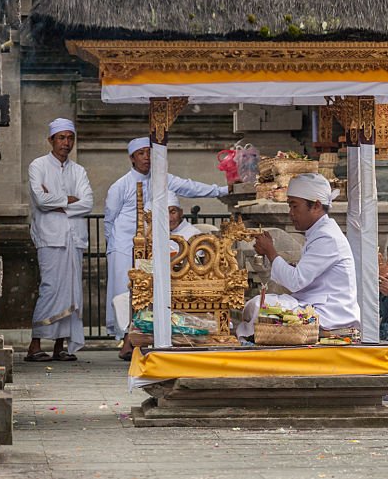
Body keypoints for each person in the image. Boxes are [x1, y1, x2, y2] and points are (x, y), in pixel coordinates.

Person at [104, 136, 227, 350]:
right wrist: (114, 248)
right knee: (126, 292)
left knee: (150, 291)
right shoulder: (120, 185)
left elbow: (191, 187)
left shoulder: (162, 178)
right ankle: (126, 340)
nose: (146, 158)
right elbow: (109, 219)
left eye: (149, 153)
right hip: (124, 245)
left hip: (153, 244)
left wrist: (224, 190)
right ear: (132, 158)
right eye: (141, 153)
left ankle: (141, 340)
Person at [241, 173, 359, 337]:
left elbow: (296, 281)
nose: (291, 213)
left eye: (294, 206)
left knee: (257, 306)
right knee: (254, 306)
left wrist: (271, 252)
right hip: (312, 305)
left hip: (329, 314)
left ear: (316, 206)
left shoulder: (327, 236)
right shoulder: (318, 232)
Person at [25, 118, 93, 362]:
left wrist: (58, 202)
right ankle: (35, 345)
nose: (67, 142)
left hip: (74, 239)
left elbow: (88, 202)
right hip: (50, 237)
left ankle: (59, 346)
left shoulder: (79, 171)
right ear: (51, 140)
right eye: (62, 138)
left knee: (72, 293)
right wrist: (69, 200)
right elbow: (41, 202)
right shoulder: (38, 166)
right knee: (51, 289)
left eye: (70, 137)